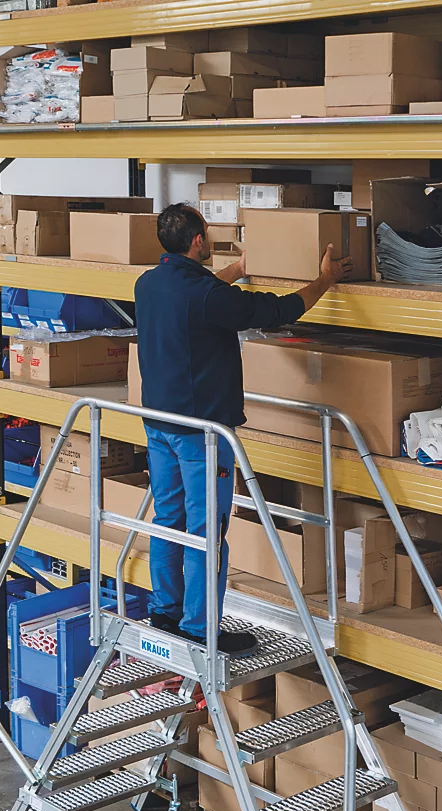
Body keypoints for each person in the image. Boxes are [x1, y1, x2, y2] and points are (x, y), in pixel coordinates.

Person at [133, 203, 352, 655]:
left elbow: (201, 295)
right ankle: (198, 628)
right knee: (206, 529)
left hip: (158, 424)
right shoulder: (208, 296)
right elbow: (278, 310)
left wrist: (238, 268)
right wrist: (326, 279)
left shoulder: (149, 284)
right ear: (198, 242)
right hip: (202, 433)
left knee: (168, 520)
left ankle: (165, 610)